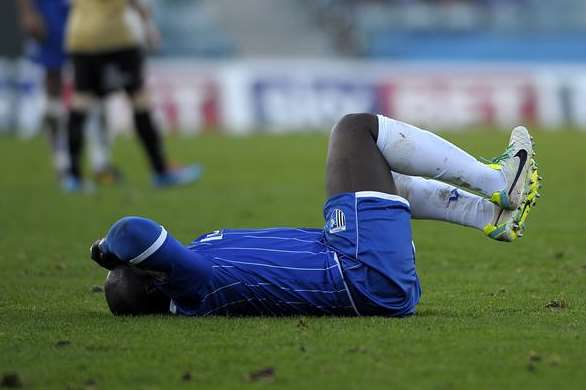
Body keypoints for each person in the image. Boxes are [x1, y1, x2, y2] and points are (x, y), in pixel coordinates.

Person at [89, 114, 541, 317]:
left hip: (356, 268)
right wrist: (108, 251)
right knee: (354, 130)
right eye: (135, 268)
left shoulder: (192, 280)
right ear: (152, 275)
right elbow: (132, 231)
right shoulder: (188, 286)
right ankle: (498, 181)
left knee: (376, 173)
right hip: (359, 270)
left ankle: (487, 213)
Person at [64, 0, 201, 191]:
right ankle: (160, 171)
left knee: (81, 101)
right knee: (139, 100)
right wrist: (147, 23)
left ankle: (73, 177)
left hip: (80, 37)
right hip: (115, 37)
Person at [16, 0, 121, 186]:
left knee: (96, 85)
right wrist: (28, 13)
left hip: (90, 10)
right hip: (51, 10)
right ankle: (62, 162)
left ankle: (101, 162)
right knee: (53, 82)